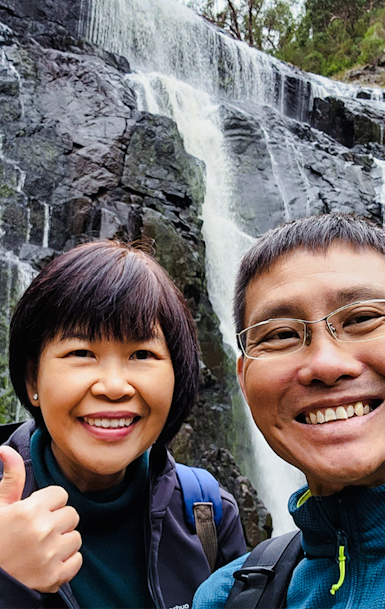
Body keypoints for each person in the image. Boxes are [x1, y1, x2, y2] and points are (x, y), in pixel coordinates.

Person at [192, 212, 385, 609]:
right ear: (245, 383)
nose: (327, 365)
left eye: (363, 318)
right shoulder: (222, 597)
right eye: (281, 335)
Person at [0, 240, 246, 609]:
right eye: (81, 353)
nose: (114, 387)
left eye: (142, 354)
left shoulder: (208, 514)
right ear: (33, 380)